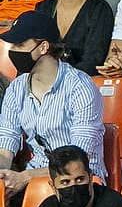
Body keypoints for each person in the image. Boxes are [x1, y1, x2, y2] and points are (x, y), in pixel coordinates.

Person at [0, 11, 105, 194]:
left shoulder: (80, 86)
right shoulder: (16, 89)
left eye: (20, 45)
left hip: (79, 181)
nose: (13, 51)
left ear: (43, 47)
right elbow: (6, 144)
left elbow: (77, 159)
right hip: (36, 176)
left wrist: (25, 177)